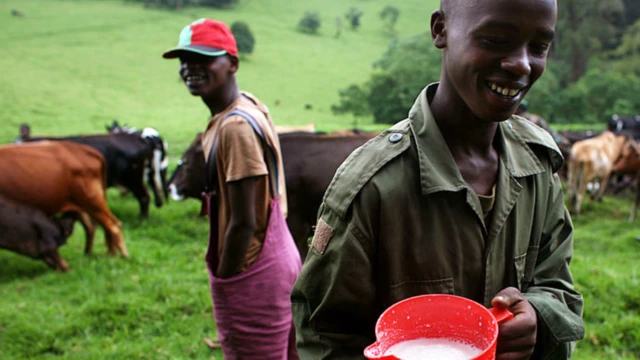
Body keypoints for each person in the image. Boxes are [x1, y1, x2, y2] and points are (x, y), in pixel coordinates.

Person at [291, 0, 584, 359]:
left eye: (538, 47)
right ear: (440, 30)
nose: (521, 63)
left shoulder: (538, 168)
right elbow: (325, 337)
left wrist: (537, 315)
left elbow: (558, 286)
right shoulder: (373, 186)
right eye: (495, 39)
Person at [162, 18, 301, 359]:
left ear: (233, 64)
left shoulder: (235, 128)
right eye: (185, 60)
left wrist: (227, 280)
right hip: (281, 251)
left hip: (254, 268)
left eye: (204, 58)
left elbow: (244, 221)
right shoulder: (249, 105)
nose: (190, 68)